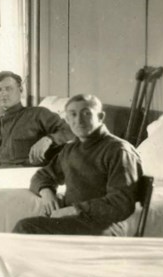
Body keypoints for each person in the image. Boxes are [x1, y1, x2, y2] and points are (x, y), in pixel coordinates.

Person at [14, 94, 142, 235]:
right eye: (73, 115)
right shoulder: (71, 148)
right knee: (25, 223)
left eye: (86, 113)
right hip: (75, 220)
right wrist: (46, 191)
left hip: (105, 226)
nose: (79, 120)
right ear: (67, 120)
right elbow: (42, 175)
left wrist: (74, 209)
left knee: (26, 228)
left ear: (100, 117)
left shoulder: (118, 150)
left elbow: (120, 204)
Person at [0, 71, 74, 169]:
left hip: (29, 176)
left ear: (20, 90)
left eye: (8, 88)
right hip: (1, 176)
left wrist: (48, 139)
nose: (4, 93)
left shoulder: (38, 114)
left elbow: (69, 130)